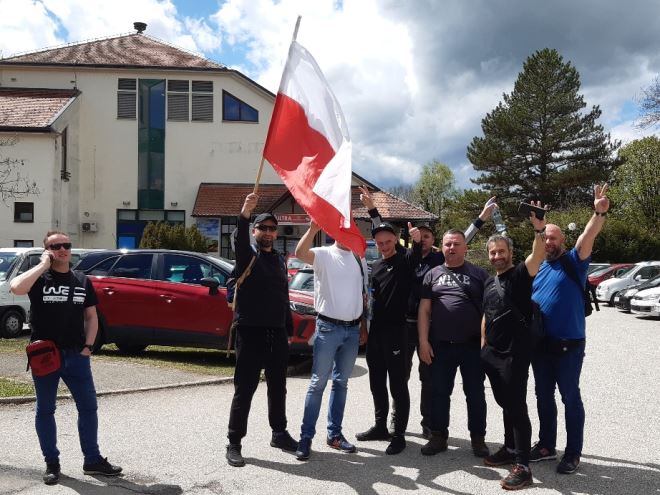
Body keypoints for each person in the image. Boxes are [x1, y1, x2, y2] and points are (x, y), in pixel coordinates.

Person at [358, 186, 497, 437]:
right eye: (419, 236)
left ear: (434, 241)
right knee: (399, 377)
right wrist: (371, 209)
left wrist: (481, 218)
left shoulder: (438, 261)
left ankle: (428, 422)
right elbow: (384, 237)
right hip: (403, 325)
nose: (423, 239)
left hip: (426, 326)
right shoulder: (404, 257)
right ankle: (395, 421)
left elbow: (462, 240)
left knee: (428, 377)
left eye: (428, 236)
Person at [10, 231, 122, 485]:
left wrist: (88, 347)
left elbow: (91, 316)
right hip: (45, 355)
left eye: (66, 245)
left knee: (88, 407)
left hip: (76, 355)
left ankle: (92, 460)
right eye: (55, 246)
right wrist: (42, 265)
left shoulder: (82, 280)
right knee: (46, 409)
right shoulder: (40, 278)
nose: (62, 249)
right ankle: (52, 463)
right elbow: (16, 288)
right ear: (47, 250)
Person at [529, 184, 610, 475]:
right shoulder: (537, 266)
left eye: (553, 237)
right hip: (541, 346)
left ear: (562, 240)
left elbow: (587, 237)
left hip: (569, 345)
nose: (549, 241)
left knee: (570, 397)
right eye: (545, 237)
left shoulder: (574, 261)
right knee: (543, 397)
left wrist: (598, 214)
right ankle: (546, 446)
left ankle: (573, 452)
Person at [225, 193, 297, 467]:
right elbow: (240, 241)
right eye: (262, 228)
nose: (268, 232)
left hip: (276, 333)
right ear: (255, 231)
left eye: (272, 228)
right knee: (245, 389)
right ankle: (234, 442)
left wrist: (288, 329)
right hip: (250, 332)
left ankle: (279, 433)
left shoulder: (279, 260)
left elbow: (283, 296)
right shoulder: (247, 256)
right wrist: (245, 213)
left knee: (278, 388)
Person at [480, 202, 546, 490]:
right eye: (493, 252)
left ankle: (523, 465)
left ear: (510, 253)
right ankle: (509, 449)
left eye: (501, 251)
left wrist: (539, 229)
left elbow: (537, 255)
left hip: (514, 355)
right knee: (505, 403)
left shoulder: (520, 275)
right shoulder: (488, 282)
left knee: (517, 408)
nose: (497, 256)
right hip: (492, 355)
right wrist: (483, 348)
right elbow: (486, 315)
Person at [293, 221, 369, 460]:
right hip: (328, 328)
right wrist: (313, 229)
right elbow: (300, 253)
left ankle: (334, 434)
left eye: (349, 229)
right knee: (318, 383)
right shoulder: (324, 254)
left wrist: (363, 326)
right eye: (342, 229)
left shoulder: (359, 258)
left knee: (341, 383)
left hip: (352, 330)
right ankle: (306, 438)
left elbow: (362, 294)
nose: (346, 233)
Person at [418, 229, 490, 457]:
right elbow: (424, 310)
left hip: (472, 346)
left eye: (456, 244)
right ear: (442, 247)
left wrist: (485, 342)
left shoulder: (480, 274)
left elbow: (488, 311)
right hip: (440, 345)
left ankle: (478, 439)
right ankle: (438, 437)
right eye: (448, 244)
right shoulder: (432, 274)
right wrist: (423, 341)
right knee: (439, 392)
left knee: (475, 394)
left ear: (465, 247)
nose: (451, 248)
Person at [356, 221, 421, 455]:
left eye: (388, 241)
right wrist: (364, 328)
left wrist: (416, 239)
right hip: (376, 332)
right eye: (380, 243)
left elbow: (415, 253)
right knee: (376, 382)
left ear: (395, 240)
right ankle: (380, 427)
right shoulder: (375, 266)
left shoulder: (405, 261)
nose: (384, 246)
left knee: (397, 384)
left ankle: (399, 435)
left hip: (397, 332)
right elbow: (369, 301)